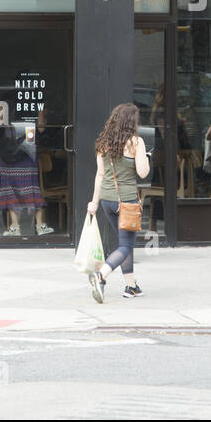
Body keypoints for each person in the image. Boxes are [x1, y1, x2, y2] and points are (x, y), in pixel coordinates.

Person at [86, 102, 150, 303]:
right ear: (132, 122)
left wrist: (94, 202)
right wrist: (146, 157)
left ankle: (131, 286)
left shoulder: (103, 143)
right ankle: (100, 276)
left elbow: (100, 174)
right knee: (125, 246)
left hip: (107, 201)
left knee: (125, 245)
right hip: (127, 202)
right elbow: (143, 173)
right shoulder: (136, 142)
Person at [0, 125, 52, 237]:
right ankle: (40, 226)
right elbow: (41, 128)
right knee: (32, 190)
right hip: (26, 155)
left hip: (7, 156)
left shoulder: (3, 115)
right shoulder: (30, 115)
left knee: (10, 190)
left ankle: (15, 227)